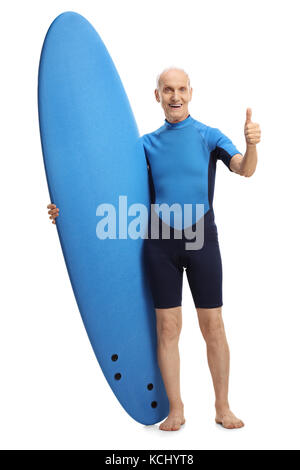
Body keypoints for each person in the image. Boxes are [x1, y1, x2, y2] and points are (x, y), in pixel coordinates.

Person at [47, 67, 261, 432]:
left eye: (180, 89)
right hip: (160, 241)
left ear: (191, 93)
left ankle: (223, 407)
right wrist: (66, 212)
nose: (174, 96)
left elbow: (244, 169)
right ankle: (176, 408)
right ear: (157, 95)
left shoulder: (209, 136)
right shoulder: (144, 145)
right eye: (167, 90)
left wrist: (252, 144)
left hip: (200, 238)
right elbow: (104, 186)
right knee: (167, 327)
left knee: (213, 325)